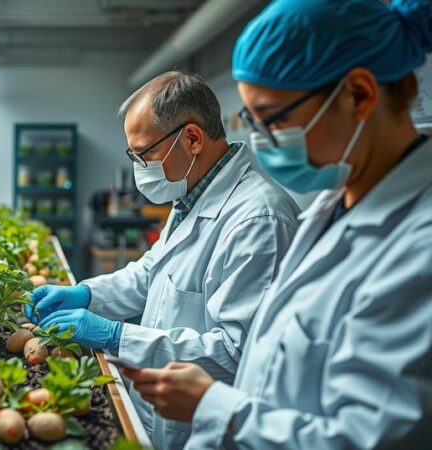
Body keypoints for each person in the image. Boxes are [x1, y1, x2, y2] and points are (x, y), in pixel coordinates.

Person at [123, 1, 432, 449]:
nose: (260, 139)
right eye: (253, 120)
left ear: (360, 96)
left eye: (274, 119)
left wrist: (212, 406)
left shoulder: (417, 251)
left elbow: (366, 438)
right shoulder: (333, 209)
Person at [25, 71, 301, 449]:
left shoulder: (259, 220)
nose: (140, 166)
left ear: (191, 138)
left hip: (206, 430)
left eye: (145, 153)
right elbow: (151, 273)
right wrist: (87, 294)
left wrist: (116, 336)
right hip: (158, 413)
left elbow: (237, 354)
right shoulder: (191, 194)